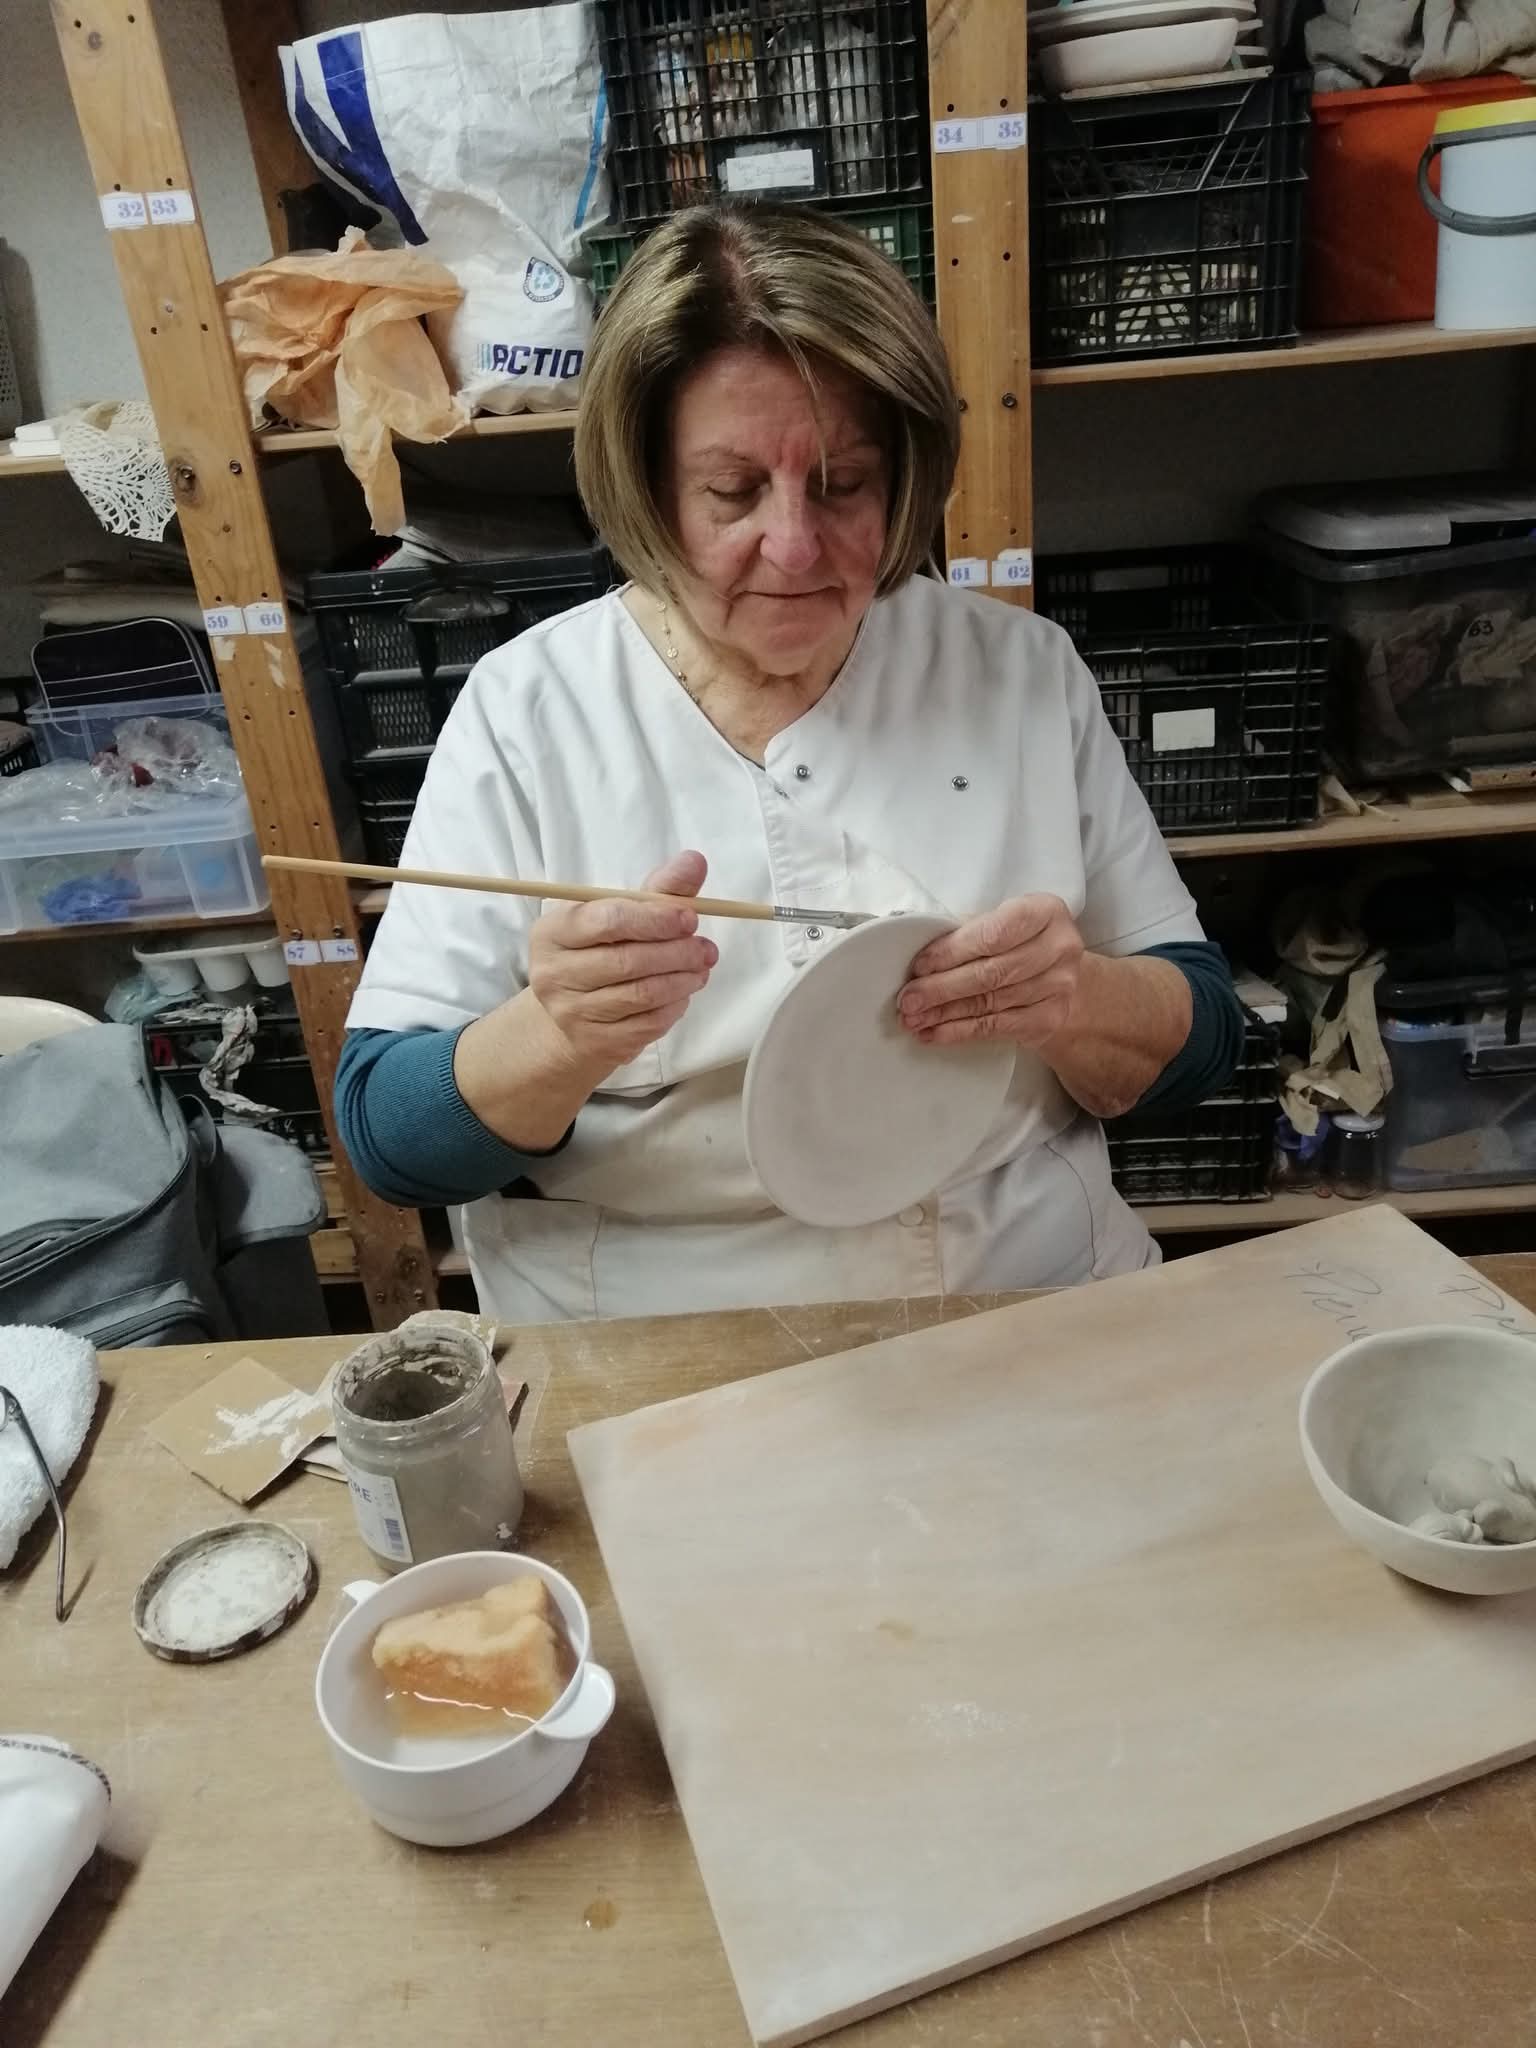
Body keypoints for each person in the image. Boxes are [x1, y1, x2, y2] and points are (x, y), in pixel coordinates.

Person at [337, 203, 1243, 1324]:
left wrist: (1073, 998)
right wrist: (556, 1033)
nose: (796, 545)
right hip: (665, 1329)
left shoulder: (1016, 670)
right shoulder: (532, 710)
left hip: (1023, 1290)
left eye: (844, 482)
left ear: (903, 475)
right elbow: (388, 1140)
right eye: (731, 492)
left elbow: (1204, 1039)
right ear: (648, 485)